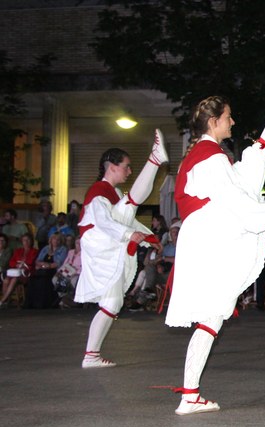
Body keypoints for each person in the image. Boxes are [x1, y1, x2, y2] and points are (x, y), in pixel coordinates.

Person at [165, 43, 265, 415]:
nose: (232, 121)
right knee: (211, 316)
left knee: (260, 152)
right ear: (213, 121)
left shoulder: (206, 156)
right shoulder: (210, 158)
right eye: (227, 117)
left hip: (211, 228)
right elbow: (230, 199)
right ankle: (189, 395)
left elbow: (231, 194)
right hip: (212, 232)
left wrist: (264, 215)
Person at [75, 130, 168, 368]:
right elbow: (106, 222)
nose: (128, 171)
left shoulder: (112, 192)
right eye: (126, 166)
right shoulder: (98, 191)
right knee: (130, 204)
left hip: (107, 245)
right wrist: (134, 234)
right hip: (102, 245)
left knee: (112, 304)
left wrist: (146, 236)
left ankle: (91, 355)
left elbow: (123, 221)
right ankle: (154, 160)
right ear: (111, 167)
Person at [26, 233, 67, 309]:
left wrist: (49, 266)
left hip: (54, 270)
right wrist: (43, 265)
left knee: (44, 279)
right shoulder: (45, 248)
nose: (56, 241)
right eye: (54, 239)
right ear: (51, 240)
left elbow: (59, 263)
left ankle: (44, 303)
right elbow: (38, 260)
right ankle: (32, 303)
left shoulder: (63, 249)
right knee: (33, 278)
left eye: (58, 239)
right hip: (43, 268)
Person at [0, 233, 37, 308]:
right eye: (24, 240)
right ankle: (6, 301)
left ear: (31, 241)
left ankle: (2, 300)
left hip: (26, 273)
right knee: (6, 280)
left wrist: (23, 264)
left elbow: (31, 262)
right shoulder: (18, 251)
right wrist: (17, 264)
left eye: (28, 240)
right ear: (22, 242)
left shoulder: (35, 251)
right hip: (16, 271)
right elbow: (11, 262)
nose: (26, 242)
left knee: (14, 279)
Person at [54, 236, 82, 308]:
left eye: (80, 243)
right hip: (67, 271)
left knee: (73, 280)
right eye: (77, 243)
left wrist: (75, 273)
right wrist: (59, 271)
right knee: (55, 279)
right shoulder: (71, 252)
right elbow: (65, 263)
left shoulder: (84, 253)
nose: (78, 244)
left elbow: (83, 267)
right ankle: (64, 297)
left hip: (76, 272)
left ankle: (69, 299)